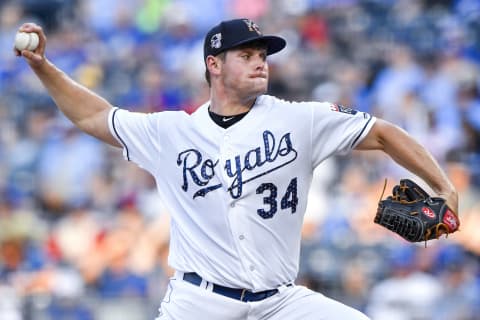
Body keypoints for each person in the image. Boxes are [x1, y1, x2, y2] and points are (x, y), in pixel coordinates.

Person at [15, 18, 458, 320]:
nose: (261, 61)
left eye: (262, 54)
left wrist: (442, 184)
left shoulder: (299, 119)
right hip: (199, 302)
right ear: (214, 64)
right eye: (246, 55)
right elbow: (93, 116)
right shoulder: (170, 132)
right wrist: (43, 67)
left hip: (280, 303)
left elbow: (382, 132)